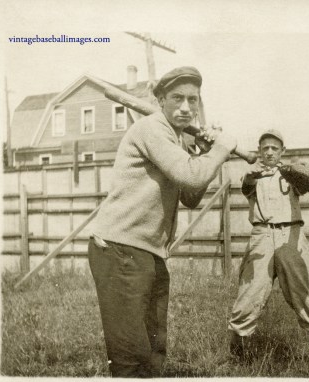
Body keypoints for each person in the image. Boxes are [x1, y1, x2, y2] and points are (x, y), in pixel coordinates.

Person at [88, 66, 237, 378]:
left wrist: (204, 153)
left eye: (193, 100)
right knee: (131, 353)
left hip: (149, 253)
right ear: (160, 100)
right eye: (177, 98)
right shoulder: (152, 129)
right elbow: (190, 174)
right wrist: (220, 152)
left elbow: (190, 195)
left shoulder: (176, 140)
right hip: (120, 249)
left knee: (155, 349)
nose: (186, 107)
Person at [228, 129, 309, 376]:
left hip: (290, 236)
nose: (269, 151)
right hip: (261, 236)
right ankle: (237, 358)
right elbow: (246, 187)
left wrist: (297, 170)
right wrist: (250, 174)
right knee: (250, 294)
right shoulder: (252, 175)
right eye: (265, 148)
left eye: (274, 148)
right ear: (259, 151)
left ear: (282, 151)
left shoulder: (291, 175)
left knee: (306, 294)